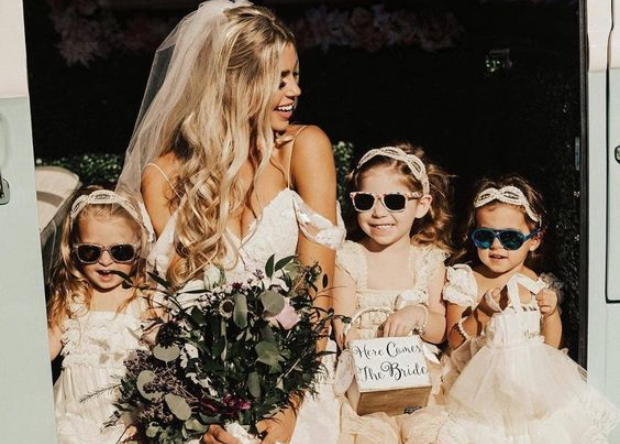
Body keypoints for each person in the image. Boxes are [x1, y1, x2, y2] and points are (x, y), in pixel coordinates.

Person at [116, 1, 345, 443]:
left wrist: (286, 409)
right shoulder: (162, 177)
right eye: (279, 79)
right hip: (202, 390)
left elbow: (317, 297)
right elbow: (179, 312)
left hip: (297, 379)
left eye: (296, 76)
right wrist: (199, 416)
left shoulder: (304, 147)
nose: (295, 90)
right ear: (233, 83)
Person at [430, 174, 620, 443]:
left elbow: (552, 349)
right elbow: (453, 341)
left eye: (510, 238)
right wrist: (481, 313)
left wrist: (551, 314)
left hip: (533, 395)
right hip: (481, 396)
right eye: (485, 236)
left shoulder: (540, 286)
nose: (496, 246)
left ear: (534, 240)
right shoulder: (466, 280)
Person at [333, 144, 453, 444]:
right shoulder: (350, 256)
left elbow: (441, 331)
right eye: (365, 200)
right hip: (366, 378)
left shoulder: (428, 260)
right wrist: (356, 339)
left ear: (422, 205)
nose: (378, 213)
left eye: (394, 200)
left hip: (419, 379)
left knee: (426, 432)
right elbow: (342, 323)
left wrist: (418, 313)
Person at [47, 187, 150, 444]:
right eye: (91, 252)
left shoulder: (145, 299)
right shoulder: (73, 298)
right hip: (75, 422)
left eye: (120, 252)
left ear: (137, 249)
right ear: (74, 249)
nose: (105, 262)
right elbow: (42, 351)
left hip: (129, 426)